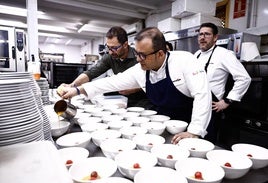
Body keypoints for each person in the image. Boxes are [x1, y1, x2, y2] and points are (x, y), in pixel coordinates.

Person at [58, 27, 212, 143]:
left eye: (143, 55)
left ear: (160, 53)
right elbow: (111, 82)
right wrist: (77, 90)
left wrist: (194, 131)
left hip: (191, 122)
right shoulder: (141, 70)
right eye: (137, 53)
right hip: (163, 123)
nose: (138, 59)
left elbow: (202, 95)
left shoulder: (185, 61)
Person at [57, 26, 151, 108]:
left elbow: (152, 81)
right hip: (121, 100)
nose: (110, 52)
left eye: (114, 48)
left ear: (125, 44)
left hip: (142, 101)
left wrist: (136, 88)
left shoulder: (139, 57)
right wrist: (72, 86)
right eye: (108, 47)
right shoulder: (110, 56)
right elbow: (91, 73)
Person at [192, 22, 251, 143]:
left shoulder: (224, 54)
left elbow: (244, 78)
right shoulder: (196, 55)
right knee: (193, 139)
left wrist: (227, 101)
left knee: (206, 142)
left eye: (207, 34)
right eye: (200, 34)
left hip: (211, 107)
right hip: (194, 104)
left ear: (215, 38)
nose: (202, 37)